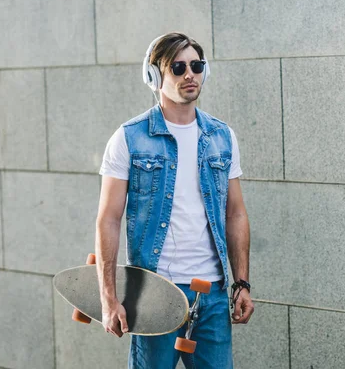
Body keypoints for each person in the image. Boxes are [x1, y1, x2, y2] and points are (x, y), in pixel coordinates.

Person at [94, 31, 254, 368]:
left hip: (210, 296)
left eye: (196, 65)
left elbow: (235, 213)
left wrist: (241, 283)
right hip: (154, 295)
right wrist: (109, 298)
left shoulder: (221, 137)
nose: (190, 74)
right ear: (154, 77)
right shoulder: (129, 138)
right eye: (178, 68)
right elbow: (108, 219)